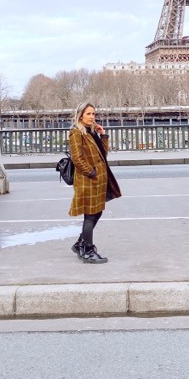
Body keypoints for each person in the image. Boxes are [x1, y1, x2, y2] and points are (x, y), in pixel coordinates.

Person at [68, 102, 121, 264]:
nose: (92, 117)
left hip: (98, 180)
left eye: (93, 114)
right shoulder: (76, 133)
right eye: (88, 114)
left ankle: (80, 244)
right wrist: (91, 172)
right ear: (80, 115)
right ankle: (88, 251)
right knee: (90, 215)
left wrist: (103, 136)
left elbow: (102, 154)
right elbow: (77, 158)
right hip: (87, 180)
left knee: (97, 212)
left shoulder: (90, 132)